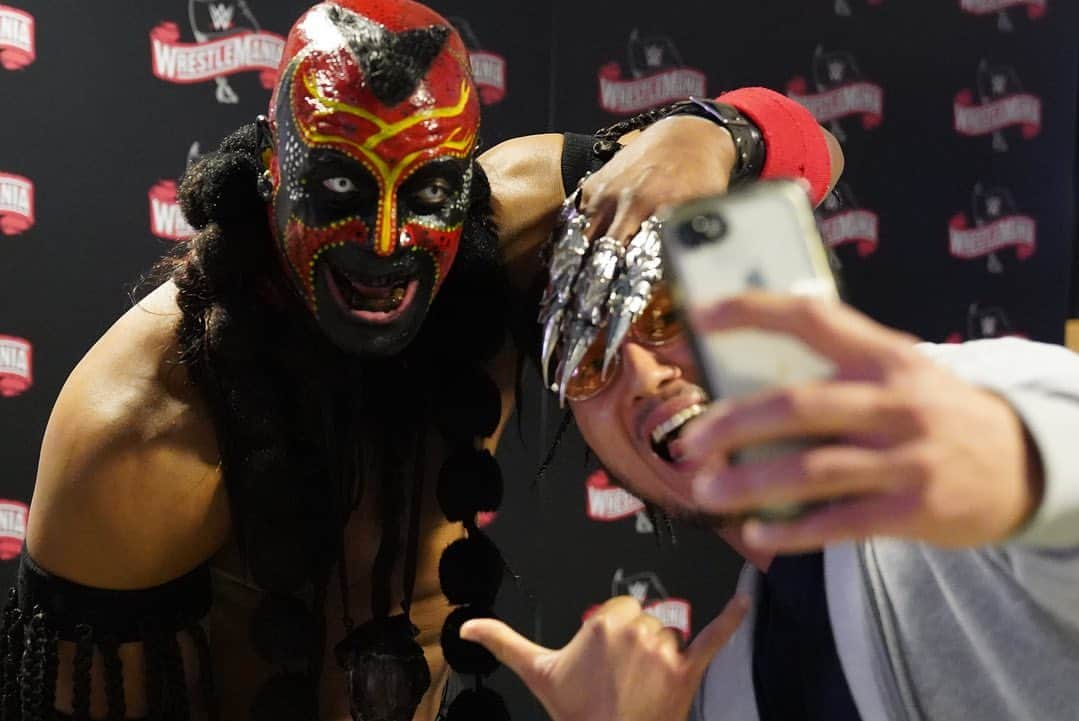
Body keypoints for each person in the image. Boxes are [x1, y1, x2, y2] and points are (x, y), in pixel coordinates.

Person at [1, 1, 843, 720]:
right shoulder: (141, 423)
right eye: (338, 189)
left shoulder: (511, 226)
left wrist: (709, 135)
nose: (384, 243)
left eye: (429, 194)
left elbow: (809, 157)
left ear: (464, 187)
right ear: (269, 167)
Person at [462, 288, 1079, 721]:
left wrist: (1027, 464)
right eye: (592, 364)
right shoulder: (723, 692)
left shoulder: (966, 402)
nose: (647, 376)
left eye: (665, 315)